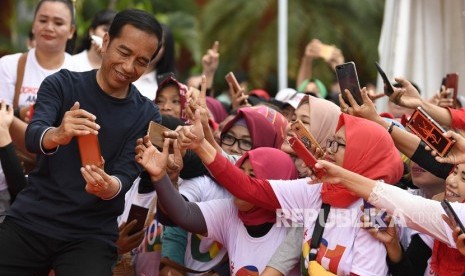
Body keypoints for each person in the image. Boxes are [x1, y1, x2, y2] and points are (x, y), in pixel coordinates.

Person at [0, 9, 163, 275]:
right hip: (33, 218)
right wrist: (58, 134)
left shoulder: (146, 113)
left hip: (91, 234)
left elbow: (126, 173)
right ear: (106, 42)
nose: (129, 67)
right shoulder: (62, 83)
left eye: (141, 61)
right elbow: (33, 135)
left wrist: (108, 186)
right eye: (124, 52)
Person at [175, 107, 404, 275]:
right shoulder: (316, 189)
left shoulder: (374, 211)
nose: (329, 150)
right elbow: (249, 188)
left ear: (363, 153)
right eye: (330, 142)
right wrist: (200, 145)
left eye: (339, 144)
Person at [136, 140, 300, 275]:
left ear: (276, 184)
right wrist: (163, 177)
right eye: (239, 172)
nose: (240, 182)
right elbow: (182, 214)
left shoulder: (297, 222)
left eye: (252, 176)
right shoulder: (231, 211)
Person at [0, 0, 78, 226]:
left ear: (71, 31)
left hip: (56, 190)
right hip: (5, 180)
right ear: (33, 25)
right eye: (43, 20)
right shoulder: (9, 65)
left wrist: (13, 120)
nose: (49, 27)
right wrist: (48, 135)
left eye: (58, 22)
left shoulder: (80, 73)